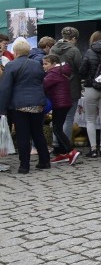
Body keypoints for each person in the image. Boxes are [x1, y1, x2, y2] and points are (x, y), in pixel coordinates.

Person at [0, 40, 51, 174]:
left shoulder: (11, 65)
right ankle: (45, 161)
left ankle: (24, 166)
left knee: (23, 135)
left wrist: (3, 109)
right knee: (38, 133)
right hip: (38, 103)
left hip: (19, 105)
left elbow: (5, 88)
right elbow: (42, 80)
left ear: (15, 52)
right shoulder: (37, 64)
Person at [42, 54, 81, 165]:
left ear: (54, 64)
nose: (44, 66)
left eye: (46, 64)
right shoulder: (60, 71)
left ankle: (70, 151)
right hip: (63, 103)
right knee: (56, 127)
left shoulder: (53, 73)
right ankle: (63, 153)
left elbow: (43, 85)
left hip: (60, 104)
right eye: (43, 64)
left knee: (57, 129)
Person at [50, 27, 83, 153]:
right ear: (74, 38)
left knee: (57, 118)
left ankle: (56, 144)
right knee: (68, 118)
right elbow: (80, 68)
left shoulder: (53, 48)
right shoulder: (74, 50)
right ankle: (65, 144)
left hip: (56, 87)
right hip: (71, 87)